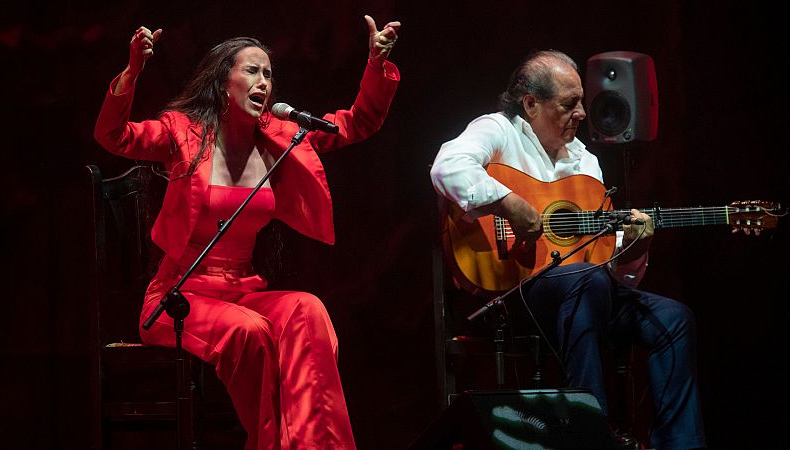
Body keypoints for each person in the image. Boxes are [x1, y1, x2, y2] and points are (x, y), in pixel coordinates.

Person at [94, 15, 401, 450]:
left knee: (307, 310)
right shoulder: (182, 134)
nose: (264, 82)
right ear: (224, 83)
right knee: (251, 332)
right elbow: (113, 135)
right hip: (179, 297)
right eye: (252, 71)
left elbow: (357, 123)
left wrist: (375, 63)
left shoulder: (280, 137)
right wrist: (132, 73)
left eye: (269, 74)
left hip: (243, 289)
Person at [429, 50, 706, 450]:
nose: (581, 113)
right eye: (569, 103)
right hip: (515, 294)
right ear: (531, 104)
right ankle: (591, 435)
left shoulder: (585, 161)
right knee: (586, 283)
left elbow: (608, 267)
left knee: (674, 317)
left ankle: (680, 445)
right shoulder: (497, 131)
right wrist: (507, 202)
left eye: (581, 102)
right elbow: (447, 167)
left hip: (583, 296)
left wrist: (633, 248)